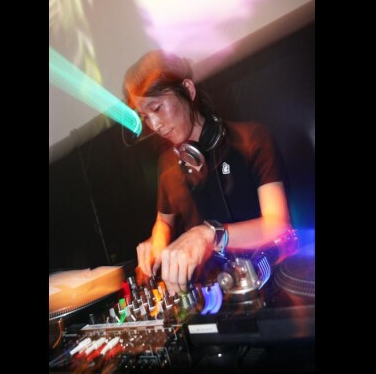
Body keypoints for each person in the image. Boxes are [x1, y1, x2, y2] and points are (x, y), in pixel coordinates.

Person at [123, 50, 292, 296]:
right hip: (210, 294)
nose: (155, 125)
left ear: (188, 90)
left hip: (266, 284)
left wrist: (209, 235)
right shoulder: (167, 163)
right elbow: (163, 221)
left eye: (157, 108)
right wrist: (156, 241)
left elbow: (278, 226)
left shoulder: (252, 139)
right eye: (145, 117)